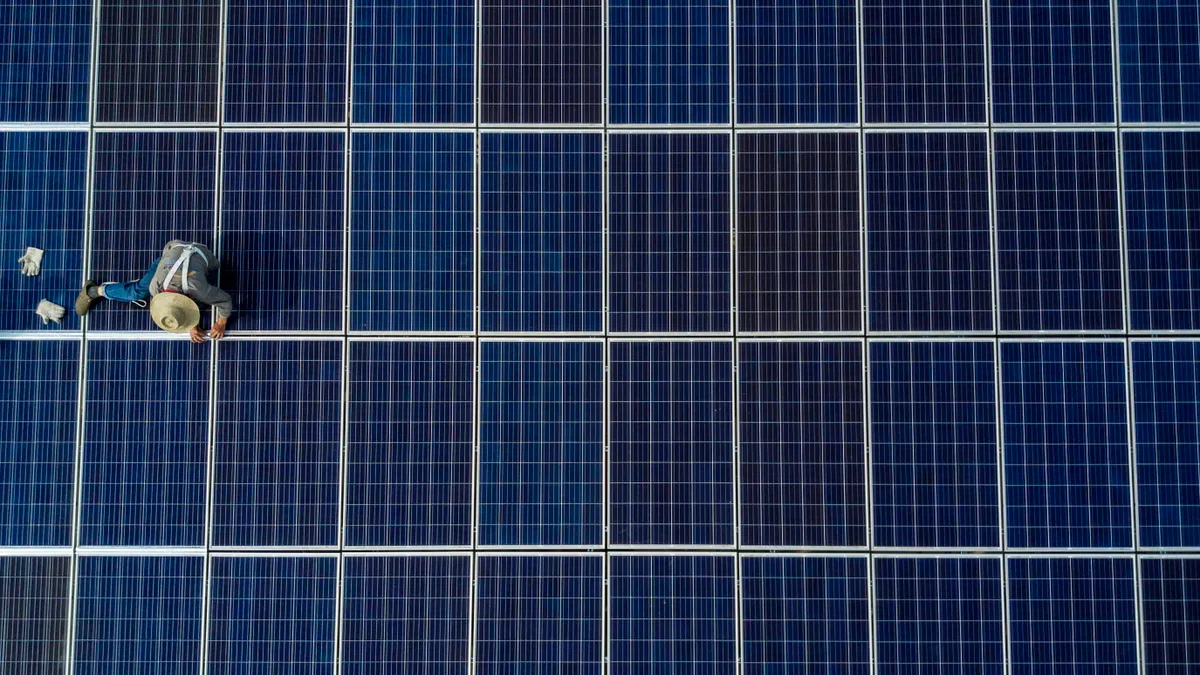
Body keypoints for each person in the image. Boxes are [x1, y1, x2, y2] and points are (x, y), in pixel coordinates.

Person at [76, 240, 232, 343]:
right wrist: (190, 324)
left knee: (135, 293)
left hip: (200, 254)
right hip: (169, 256)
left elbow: (225, 301)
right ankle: (95, 291)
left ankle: (94, 291)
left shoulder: (199, 290)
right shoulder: (155, 287)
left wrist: (220, 323)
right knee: (138, 292)